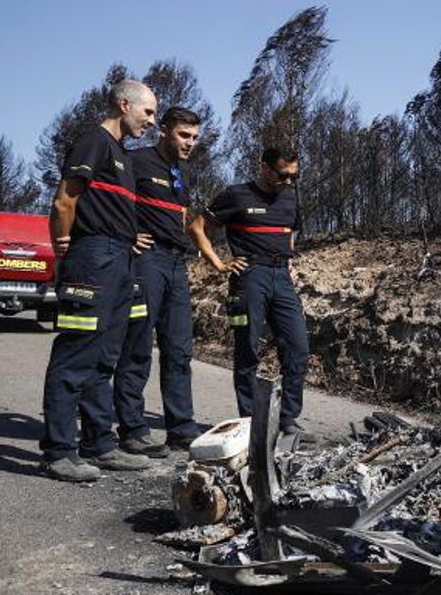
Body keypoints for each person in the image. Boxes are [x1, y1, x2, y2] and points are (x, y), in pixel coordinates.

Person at [40, 78, 158, 482]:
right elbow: (64, 201)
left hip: (120, 259)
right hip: (93, 258)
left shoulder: (122, 154)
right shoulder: (93, 141)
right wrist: (65, 250)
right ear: (124, 104)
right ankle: (58, 451)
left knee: (105, 356)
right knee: (76, 353)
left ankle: (99, 444)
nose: (152, 121)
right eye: (148, 112)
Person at [188, 147, 308, 435]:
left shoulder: (291, 197)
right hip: (249, 278)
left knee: (298, 348)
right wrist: (218, 263)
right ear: (264, 167)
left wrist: (287, 259)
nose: (288, 181)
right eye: (283, 175)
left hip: (282, 278)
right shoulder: (236, 195)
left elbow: (291, 231)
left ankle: (287, 419)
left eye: (294, 176)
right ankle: (253, 421)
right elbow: (196, 227)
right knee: (248, 350)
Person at [113, 107, 204, 457]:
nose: (190, 143)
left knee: (179, 350)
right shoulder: (135, 160)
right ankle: (133, 430)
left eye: (194, 137)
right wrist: (126, 235)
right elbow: (106, 199)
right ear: (164, 131)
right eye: (184, 135)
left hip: (176, 264)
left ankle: (181, 430)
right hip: (146, 261)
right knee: (137, 345)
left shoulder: (179, 172)